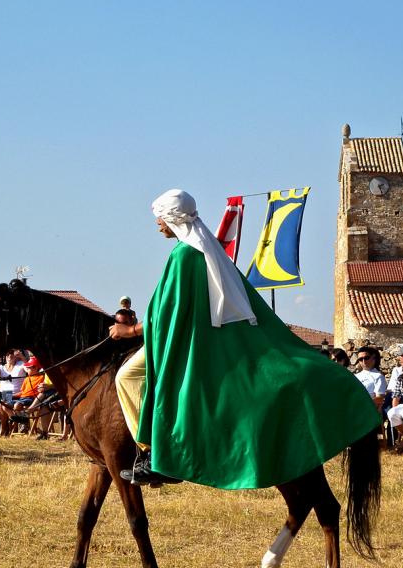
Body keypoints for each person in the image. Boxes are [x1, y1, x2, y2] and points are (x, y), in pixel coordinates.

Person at [110, 188, 379, 487]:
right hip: (204, 334)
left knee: (126, 377)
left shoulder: (183, 255)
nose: (157, 224)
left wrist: (129, 331)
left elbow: (164, 314)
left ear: (171, 218)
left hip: (190, 342)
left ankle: (154, 455)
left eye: (159, 218)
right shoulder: (206, 248)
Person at [353, 346, 386, 412]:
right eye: (360, 359)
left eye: (366, 358)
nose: (363, 361)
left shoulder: (378, 376)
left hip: (368, 411)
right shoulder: (356, 376)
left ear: (373, 358)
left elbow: (379, 399)